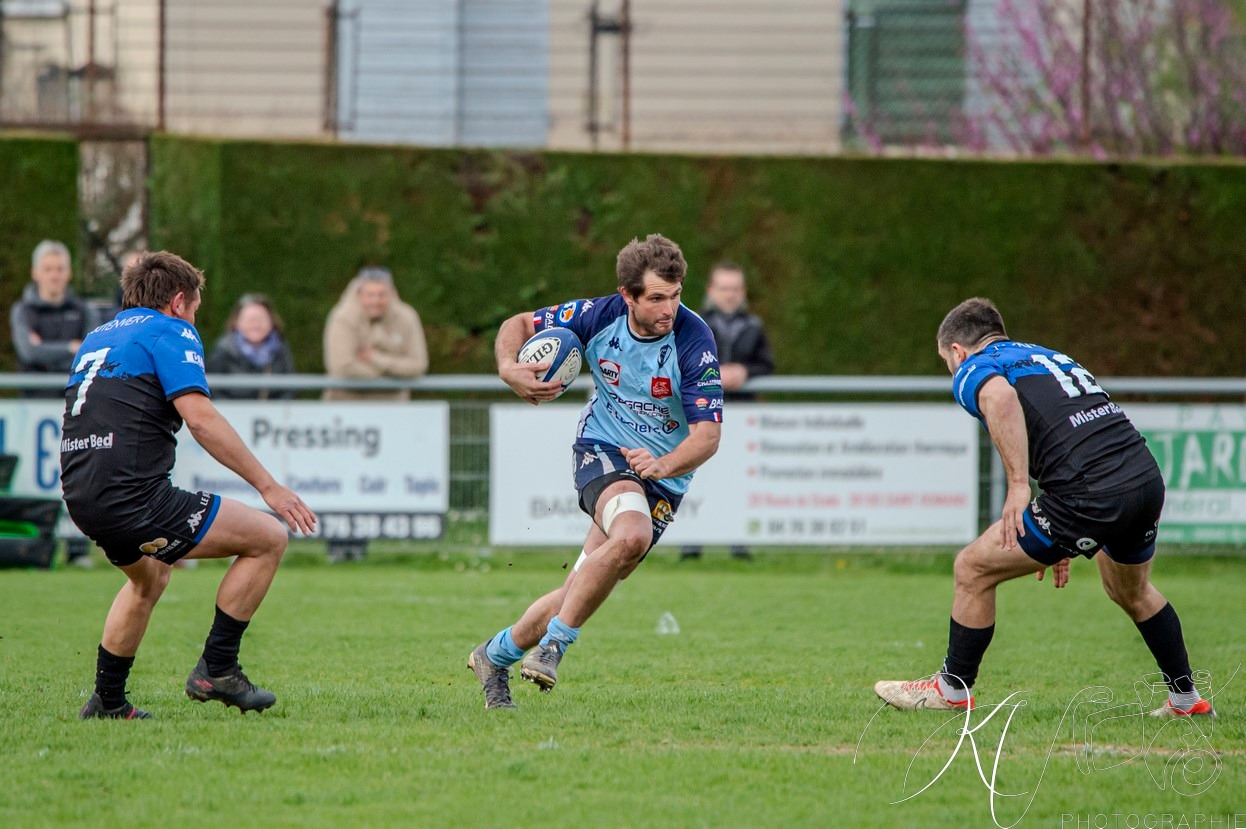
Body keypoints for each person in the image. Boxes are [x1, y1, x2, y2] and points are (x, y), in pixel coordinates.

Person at [874, 298, 1212, 718]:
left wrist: (1019, 487)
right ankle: (1186, 699)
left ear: (957, 351)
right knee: (1132, 590)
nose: (951, 368)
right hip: (1143, 479)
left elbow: (998, 400)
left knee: (972, 569)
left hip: (1089, 493)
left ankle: (951, 690)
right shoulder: (1045, 355)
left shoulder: (974, 368)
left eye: (947, 360)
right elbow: (1071, 430)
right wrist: (1062, 531)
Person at [467, 233, 723, 709]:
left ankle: (493, 656)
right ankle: (554, 648)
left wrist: (663, 464)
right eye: (656, 298)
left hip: (665, 475)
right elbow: (519, 323)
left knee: (579, 585)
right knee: (631, 536)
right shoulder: (597, 316)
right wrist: (507, 366)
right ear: (627, 296)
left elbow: (708, 437)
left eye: (677, 294)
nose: (670, 308)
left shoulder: (694, 340)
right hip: (603, 447)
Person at [62, 250, 316, 719]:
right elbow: (200, 419)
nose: (195, 318)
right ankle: (217, 669)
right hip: (132, 496)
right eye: (196, 308)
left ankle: (107, 702)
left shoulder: (100, 335)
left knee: (149, 577)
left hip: (81, 492)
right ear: (179, 301)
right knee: (268, 537)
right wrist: (269, 487)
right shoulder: (170, 330)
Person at [322, 267, 428, 562]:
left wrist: (376, 359)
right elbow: (342, 367)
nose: (375, 301)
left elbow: (418, 365)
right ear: (359, 294)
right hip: (345, 420)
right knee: (342, 480)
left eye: (381, 294)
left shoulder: (406, 317)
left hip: (391, 420)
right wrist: (393, 372)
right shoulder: (342, 317)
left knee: (381, 481)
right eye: (369, 294)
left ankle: (375, 550)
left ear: (390, 294)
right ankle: (338, 547)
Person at [10, 240, 100, 568]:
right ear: (36, 272)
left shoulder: (84, 309)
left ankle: (78, 549)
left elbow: (90, 353)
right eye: (48, 269)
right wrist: (69, 348)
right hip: (33, 412)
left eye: (60, 269)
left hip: (76, 408)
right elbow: (28, 353)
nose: (54, 276)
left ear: (69, 272)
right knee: (38, 479)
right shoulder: (23, 310)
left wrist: (50, 349)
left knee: (79, 477)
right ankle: (37, 548)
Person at [679, 262, 774, 562]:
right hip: (702, 409)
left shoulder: (754, 326)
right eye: (724, 288)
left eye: (735, 289)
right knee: (697, 474)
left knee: (738, 477)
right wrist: (713, 372)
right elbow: (680, 359)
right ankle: (692, 543)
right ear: (711, 290)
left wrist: (745, 371)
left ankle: (739, 542)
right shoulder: (693, 323)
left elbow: (767, 364)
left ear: (742, 292)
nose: (730, 295)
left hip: (742, 414)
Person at [207, 293, 296, 400]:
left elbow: (289, 388)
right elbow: (212, 389)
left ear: (271, 321)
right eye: (250, 319)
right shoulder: (224, 350)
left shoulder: (280, 349)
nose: (256, 324)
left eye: (261, 319)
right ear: (237, 322)